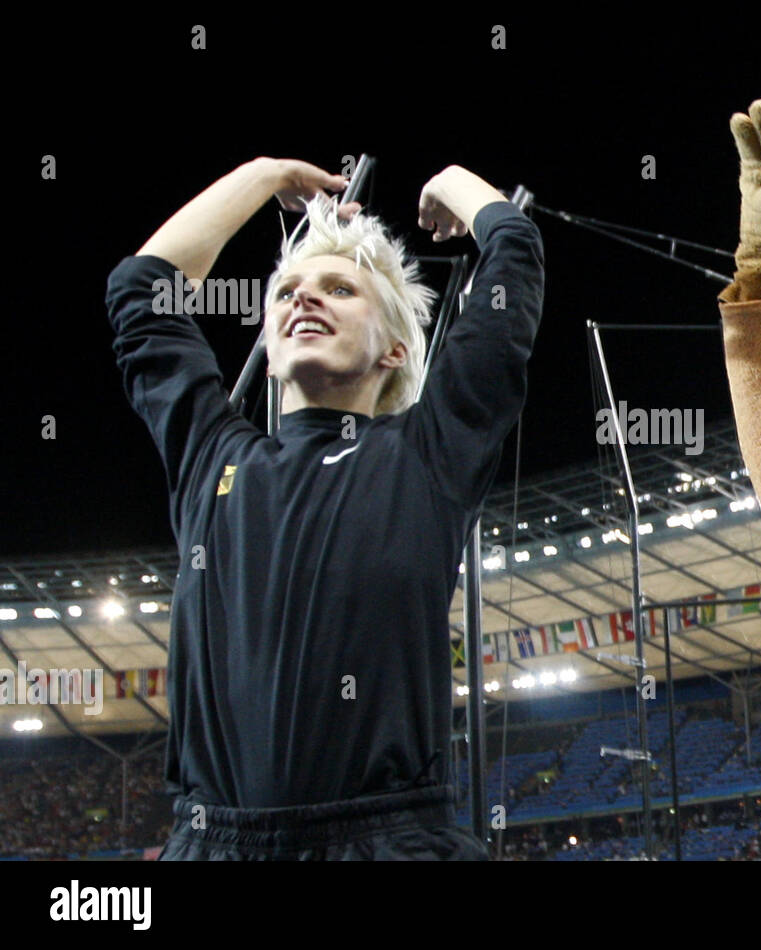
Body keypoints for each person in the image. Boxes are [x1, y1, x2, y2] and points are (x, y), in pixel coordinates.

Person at [106, 157, 544, 859]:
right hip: (212, 843)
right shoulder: (211, 457)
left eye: (340, 289)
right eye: (287, 293)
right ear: (270, 352)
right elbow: (140, 286)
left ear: (396, 350)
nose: (304, 300)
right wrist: (263, 174)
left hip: (386, 841)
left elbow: (515, 252)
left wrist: (453, 182)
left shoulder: (430, 453)